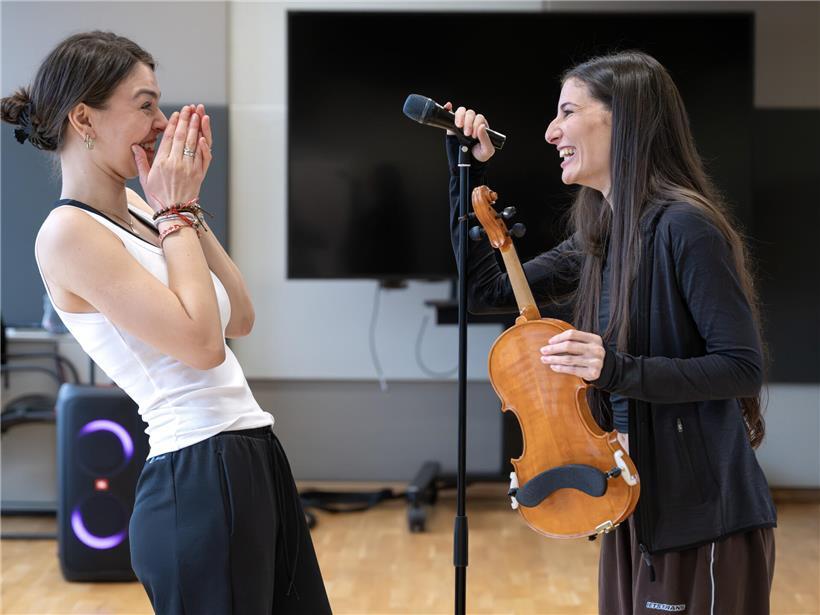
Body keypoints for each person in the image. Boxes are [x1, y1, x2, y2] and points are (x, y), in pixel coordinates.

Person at [2, 31, 331, 614]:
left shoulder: (141, 206)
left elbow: (240, 318)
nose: (162, 122)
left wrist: (184, 207)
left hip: (251, 450)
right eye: (146, 104)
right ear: (84, 118)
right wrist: (175, 211)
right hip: (197, 472)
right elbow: (201, 345)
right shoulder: (67, 234)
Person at [444, 50, 776, 615]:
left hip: (703, 519)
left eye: (567, 112)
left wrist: (613, 367)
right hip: (629, 506)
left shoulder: (686, 228)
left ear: (623, 119)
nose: (551, 133)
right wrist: (465, 174)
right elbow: (484, 292)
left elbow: (741, 368)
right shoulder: (599, 234)